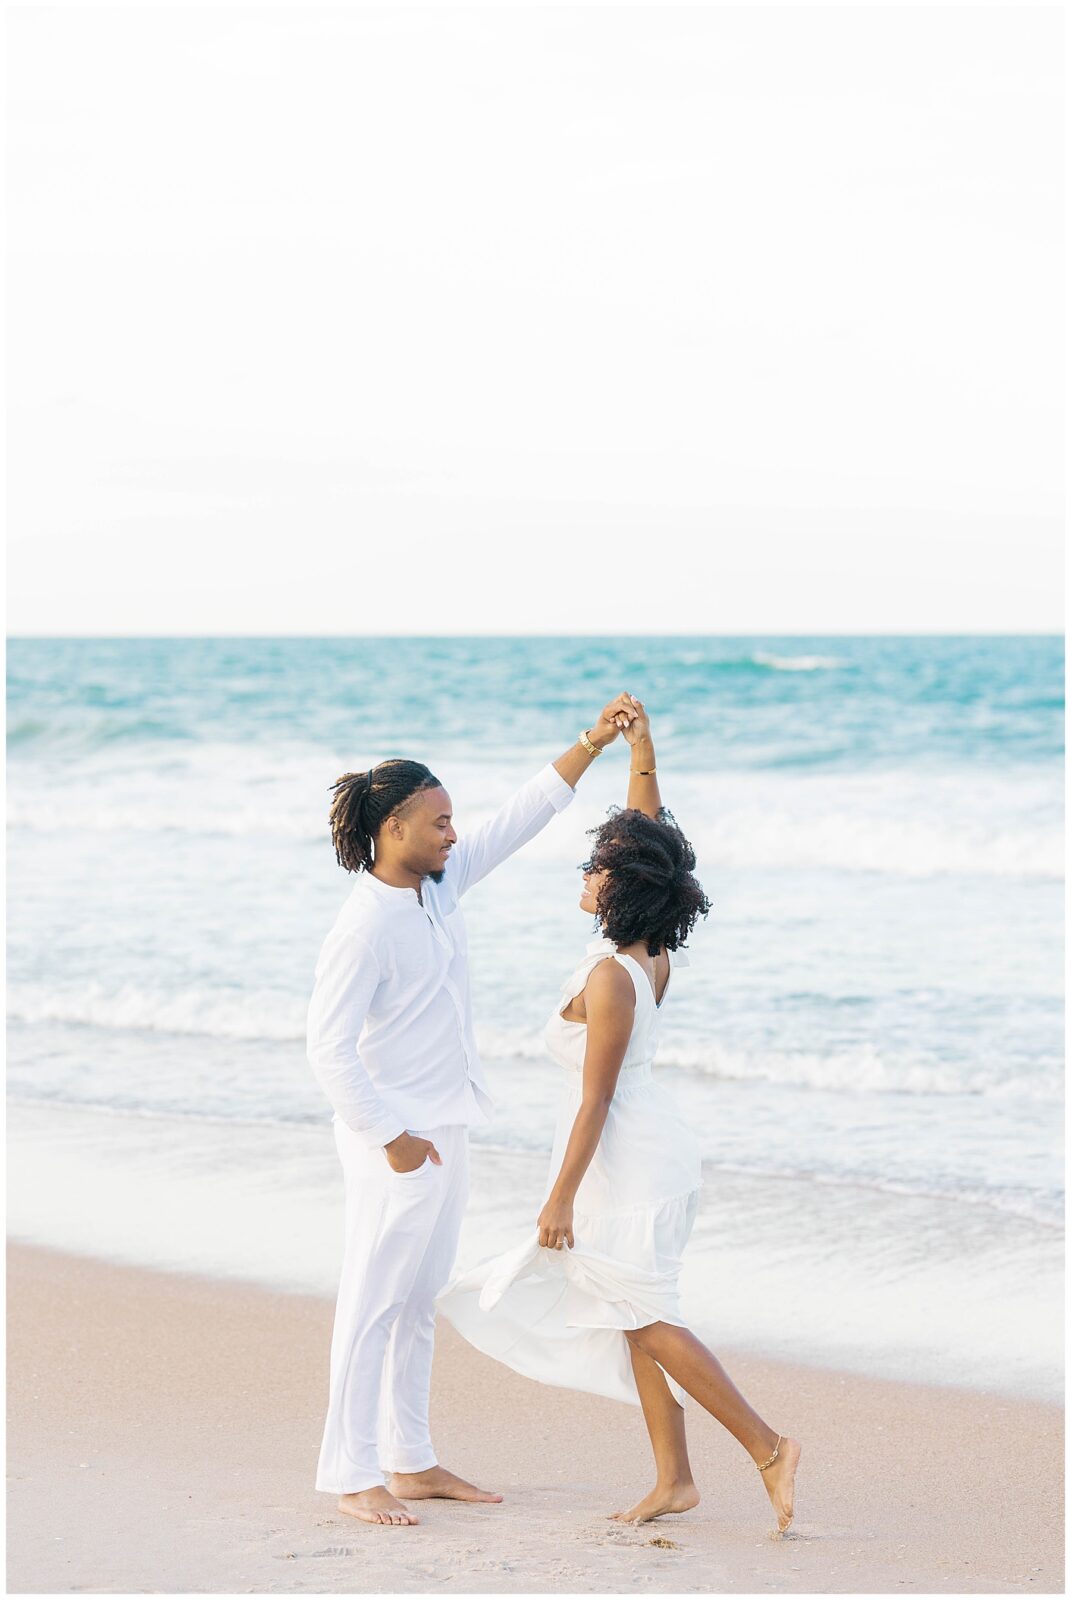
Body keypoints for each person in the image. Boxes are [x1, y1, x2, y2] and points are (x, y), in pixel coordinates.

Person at [438, 695, 801, 1533]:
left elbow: (594, 1099)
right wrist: (639, 748)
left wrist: (558, 1198)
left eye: (598, 868)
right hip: (650, 1156)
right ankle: (674, 1479)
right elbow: (646, 840)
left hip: (628, 1165)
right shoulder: (645, 952)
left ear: (622, 891)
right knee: (628, 1316)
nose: (588, 871)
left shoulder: (609, 977)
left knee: (645, 1316)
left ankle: (767, 1447)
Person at [306, 693, 640, 1528]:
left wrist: (591, 743)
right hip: (396, 1139)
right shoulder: (361, 927)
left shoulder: (437, 891)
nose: (454, 833)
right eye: (438, 822)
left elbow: (518, 819)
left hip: (443, 1126)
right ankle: (350, 1473)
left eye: (452, 819)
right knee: (372, 1302)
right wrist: (392, 1140)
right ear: (392, 831)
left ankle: (409, 1459)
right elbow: (327, 1048)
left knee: (417, 1301)